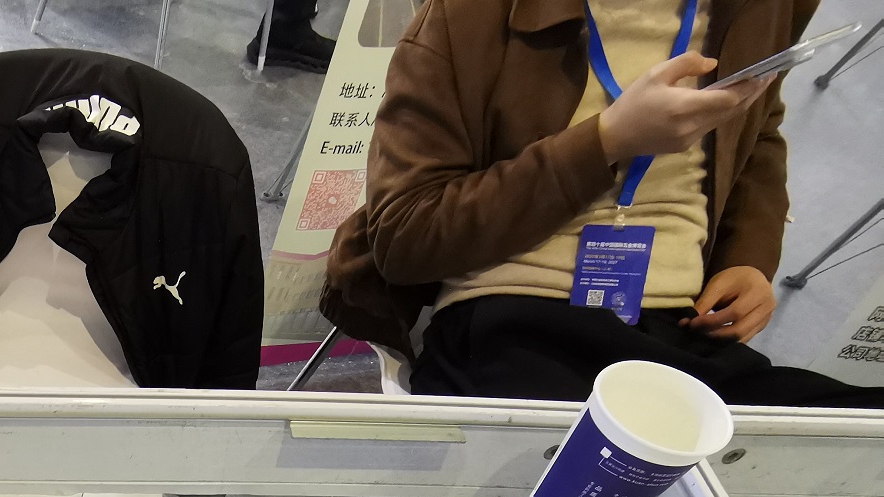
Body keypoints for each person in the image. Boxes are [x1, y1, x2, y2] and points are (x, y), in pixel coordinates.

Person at [323, 0, 884, 413]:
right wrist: (608, 140)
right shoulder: (470, 17)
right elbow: (407, 238)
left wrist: (749, 257)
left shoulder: (755, 10)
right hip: (513, 316)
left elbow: (757, 127)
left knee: (849, 448)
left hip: (684, 327)